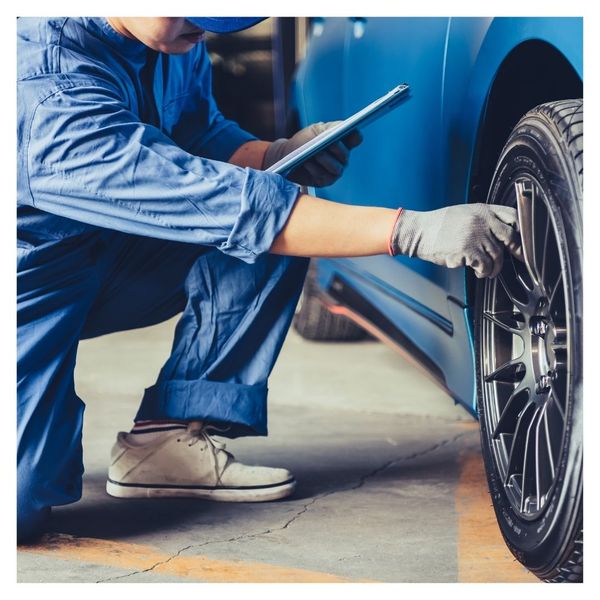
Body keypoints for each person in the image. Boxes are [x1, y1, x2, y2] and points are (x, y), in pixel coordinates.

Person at [17, 16, 522, 543]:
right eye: (193, 12)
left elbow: (198, 134)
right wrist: (412, 230)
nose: (205, 28)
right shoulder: (43, 83)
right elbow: (225, 205)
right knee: (20, 509)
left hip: (110, 250)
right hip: (30, 279)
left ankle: (165, 441)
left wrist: (275, 155)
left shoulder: (171, 35)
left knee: (274, 206)